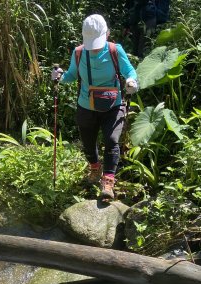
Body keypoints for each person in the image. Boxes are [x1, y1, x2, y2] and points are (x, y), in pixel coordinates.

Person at [51, 14, 139, 200]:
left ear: (107, 34)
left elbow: (129, 70)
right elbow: (72, 75)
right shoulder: (79, 52)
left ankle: (108, 181)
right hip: (86, 105)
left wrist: (131, 80)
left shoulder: (116, 50)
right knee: (88, 142)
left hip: (113, 105)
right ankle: (94, 168)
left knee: (111, 140)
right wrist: (60, 77)